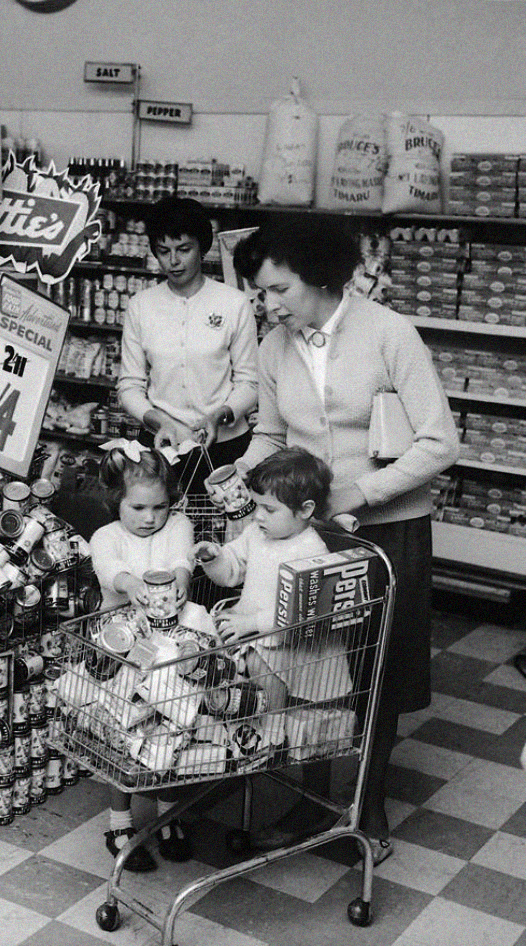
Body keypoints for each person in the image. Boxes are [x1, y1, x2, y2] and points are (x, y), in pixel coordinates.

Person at [231, 216, 460, 864]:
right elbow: (272, 435)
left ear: (320, 276)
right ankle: (313, 798)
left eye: (278, 289)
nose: (268, 304)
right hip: (312, 534)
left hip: (387, 531)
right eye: (262, 291)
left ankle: (369, 800)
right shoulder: (276, 345)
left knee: (376, 668)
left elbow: (441, 441)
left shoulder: (390, 333)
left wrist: (365, 490)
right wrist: (244, 470)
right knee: (312, 658)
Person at [194, 448, 351, 745]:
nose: (258, 516)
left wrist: (252, 622)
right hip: (253, 632)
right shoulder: (257, 533)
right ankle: (240, 732)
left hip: (288, 643)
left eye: (269, 509)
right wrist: (214, 557)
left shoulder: (311, 551)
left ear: (305, 510)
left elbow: (303, 611)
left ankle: (271, 734)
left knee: (265, 674)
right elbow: (232, 571)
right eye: (257, 506)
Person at [88, 443, 194, 871]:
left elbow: (182, 558)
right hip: (122, 649)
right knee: (122, 733)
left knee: (172, 728)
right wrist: (130, 583)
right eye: (138, 508)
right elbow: (106, 568)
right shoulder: (106, 536)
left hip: (170, 648)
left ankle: (169, 817)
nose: (151, 518)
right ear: (117, 501)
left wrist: (183, 575)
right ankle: (119, 822)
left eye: (160, 506)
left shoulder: (178, 526)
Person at [118, 195, 258, 488]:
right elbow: (129, 386)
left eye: (184, 249)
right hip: (162, 444)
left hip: (226, 447)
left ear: (202, 249)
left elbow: (250, 382)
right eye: (163, 251)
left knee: (228, 528)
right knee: (160, 527)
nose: (174, 261)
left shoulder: (234, 303)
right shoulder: (141, 306)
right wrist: (158, 420)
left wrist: (219, 416)